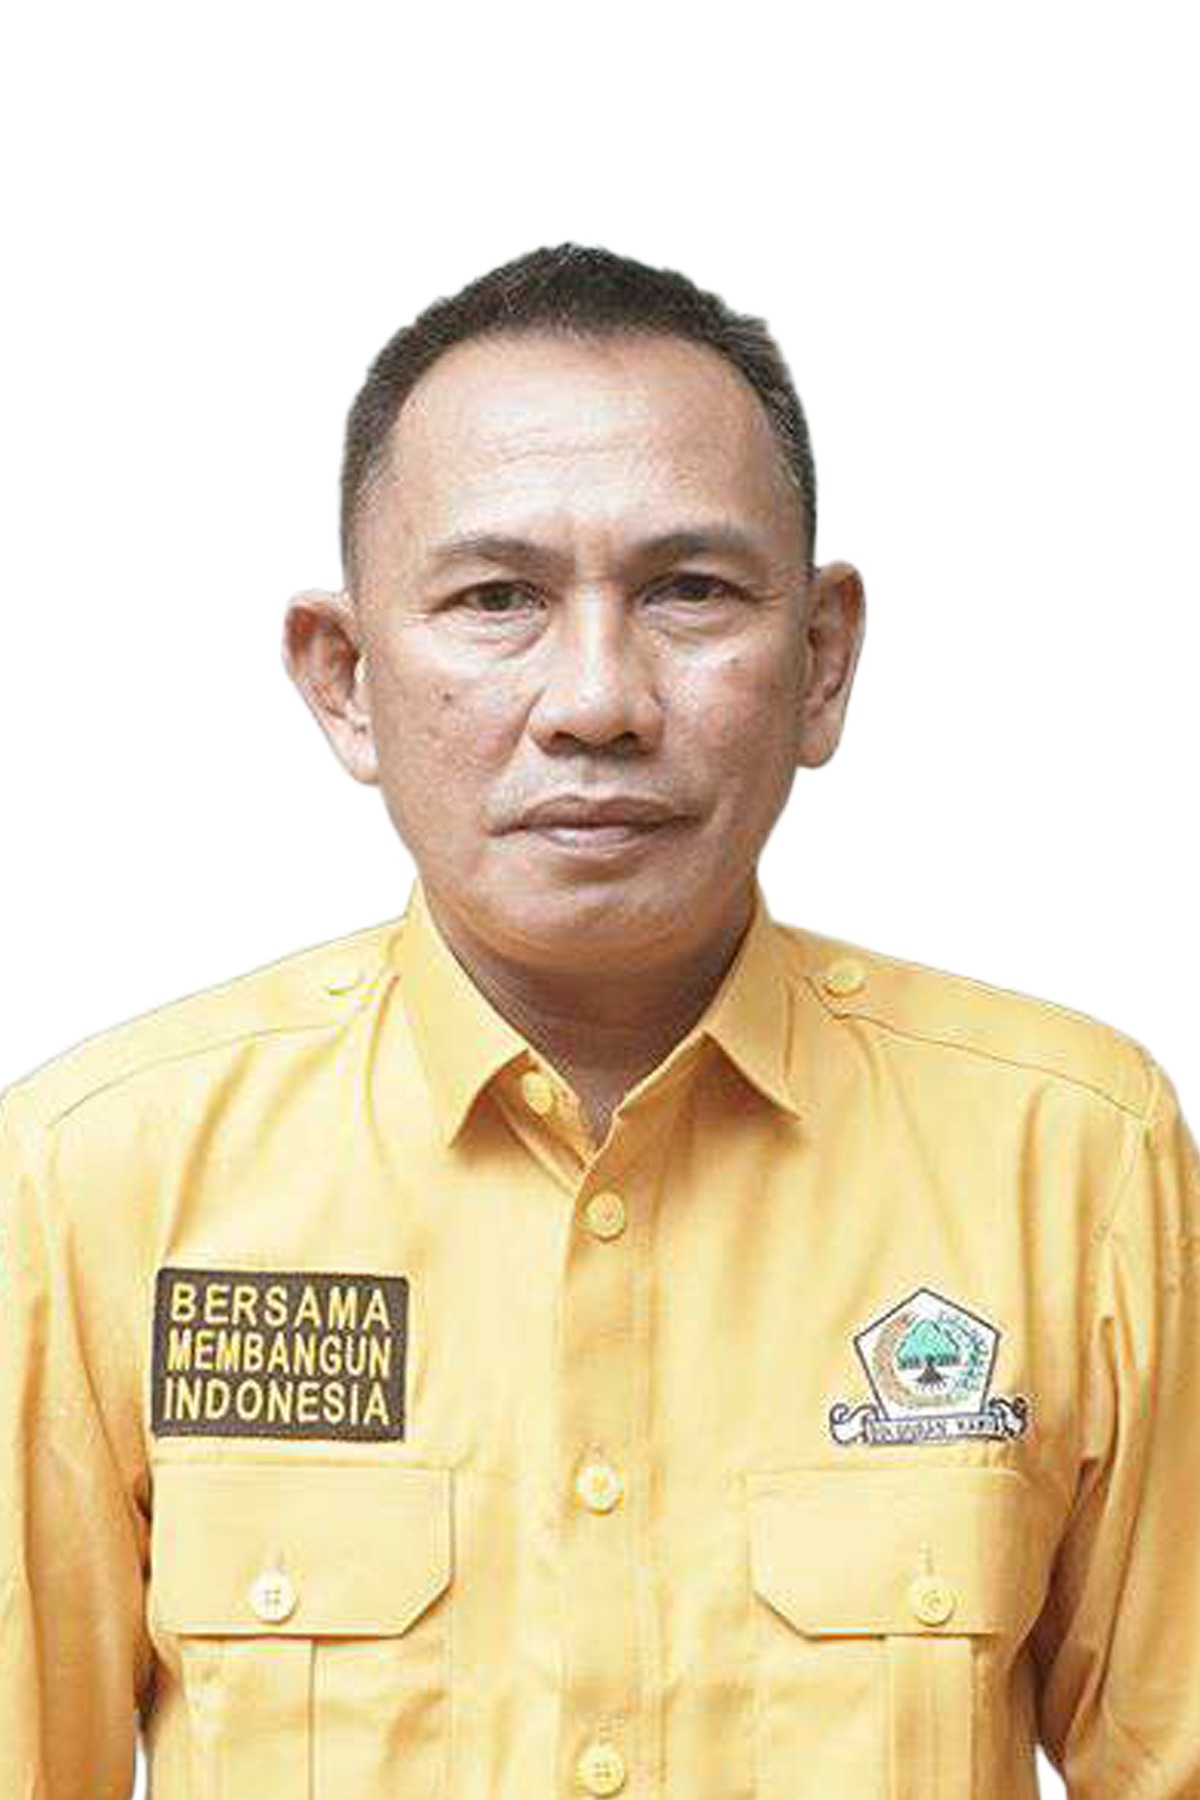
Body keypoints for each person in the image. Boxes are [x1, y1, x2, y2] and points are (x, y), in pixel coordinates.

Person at [2, 241, 1197, 1800]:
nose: (595, 701)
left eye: (688, 592)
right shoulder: (99, 1180)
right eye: (496, 598)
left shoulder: (1069, 1157)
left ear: (821, 661)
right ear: (344, 678)